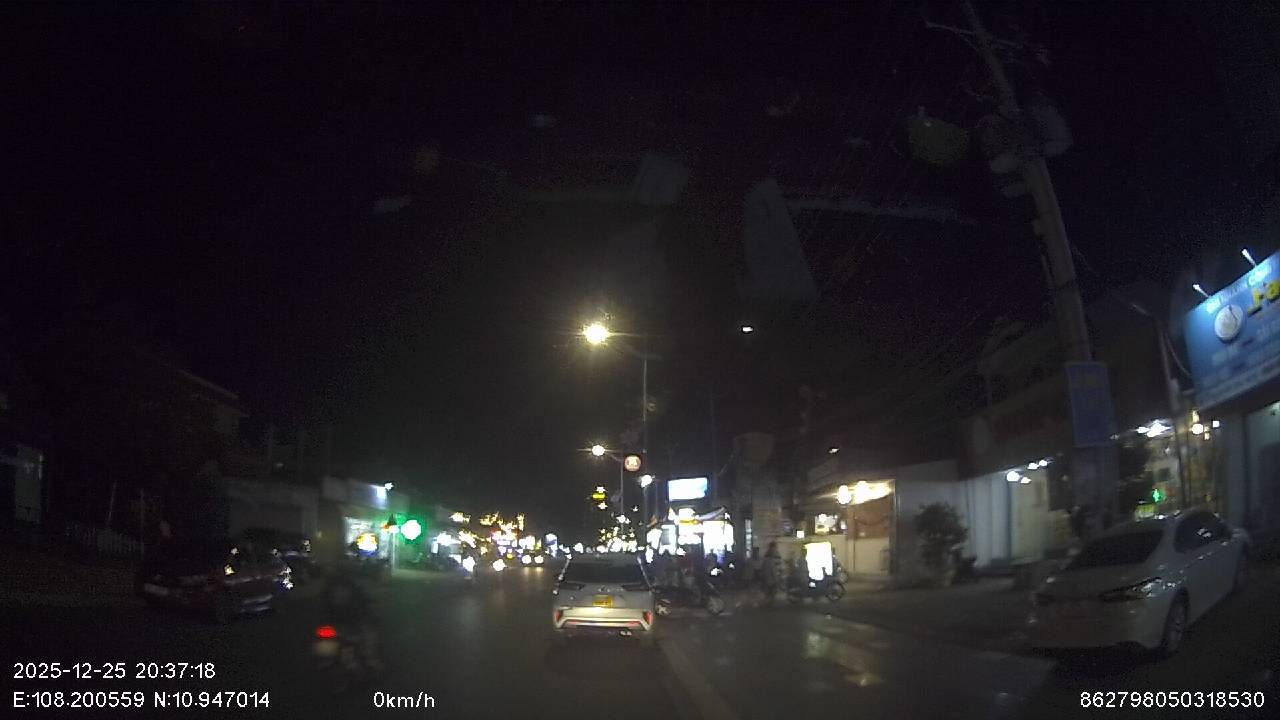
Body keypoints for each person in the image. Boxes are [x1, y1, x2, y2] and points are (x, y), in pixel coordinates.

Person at [324, 571, 384, 673]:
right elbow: (364, 601)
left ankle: (364, 661)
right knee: (368, 635)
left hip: (334, 620)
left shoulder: (331, 584)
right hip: (347, 621)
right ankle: (371, 660)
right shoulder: (353, 585)